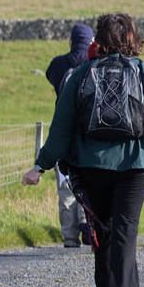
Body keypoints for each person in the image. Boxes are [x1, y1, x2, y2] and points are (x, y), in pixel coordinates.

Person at [23, 12, 144, 287]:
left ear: (99, 41)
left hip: (90, 165)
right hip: (134, 166)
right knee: (125, 230)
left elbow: (61, 128)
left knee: (101, 231)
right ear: (132, 39)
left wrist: (41, 165)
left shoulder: (80, 75)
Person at [44, 23, 95, 247]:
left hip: (63, 131)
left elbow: (49, 74)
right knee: (88, 180)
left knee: (65, 186)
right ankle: (87, 224)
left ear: (71, 41)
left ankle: (69, 236)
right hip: (87, 132)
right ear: (91, 41)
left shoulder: (58, 65)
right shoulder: (93, 64)